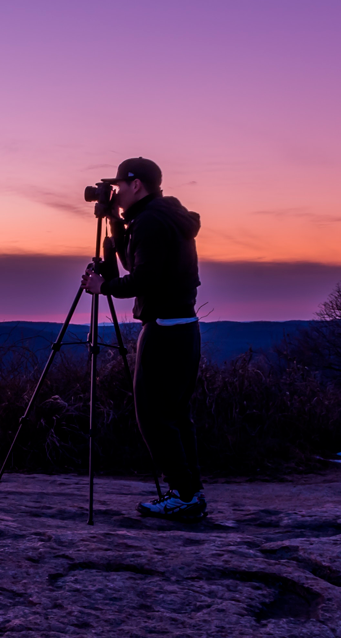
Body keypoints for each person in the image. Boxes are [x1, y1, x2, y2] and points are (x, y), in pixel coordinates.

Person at [81, 157, 206, 520]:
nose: (114, 192)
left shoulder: (151, 221)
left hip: (165, 329)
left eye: (119, 186)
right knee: (176, 416)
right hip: (184, 326)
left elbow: (143, 279)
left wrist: (103, 286)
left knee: (153, 416)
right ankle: (189, 492)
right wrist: (116, 225)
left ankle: (183, 494)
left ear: (137, 185)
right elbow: (137, 264)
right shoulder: (163, 216)